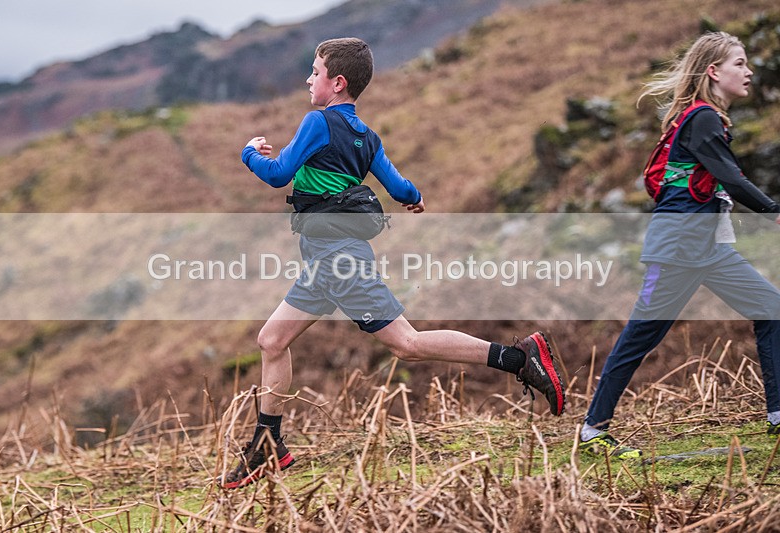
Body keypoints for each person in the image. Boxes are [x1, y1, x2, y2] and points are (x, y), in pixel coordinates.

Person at [221, 37, 566, 489]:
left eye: (315, 72)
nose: (309, 79)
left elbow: (278, 175)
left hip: (337, 259)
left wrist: (249, 153)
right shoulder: (368, 137)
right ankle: (268, 445)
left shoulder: (317, 122)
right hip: (326, 259)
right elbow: (399, 188)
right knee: (271, 340)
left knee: (407, 343)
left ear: (337, 82)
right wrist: (415, 198)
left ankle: (518, 358)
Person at [580, 31, 780, 459]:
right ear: (714, 71)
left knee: (772, 309)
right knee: (640, 336)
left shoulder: (703, 117)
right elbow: (731, 178)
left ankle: (779, 416)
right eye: (739, 63)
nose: (749, 71)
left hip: (707, 247)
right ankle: (594, 431)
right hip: (676, 249)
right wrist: (771, 209)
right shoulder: (703, 117)